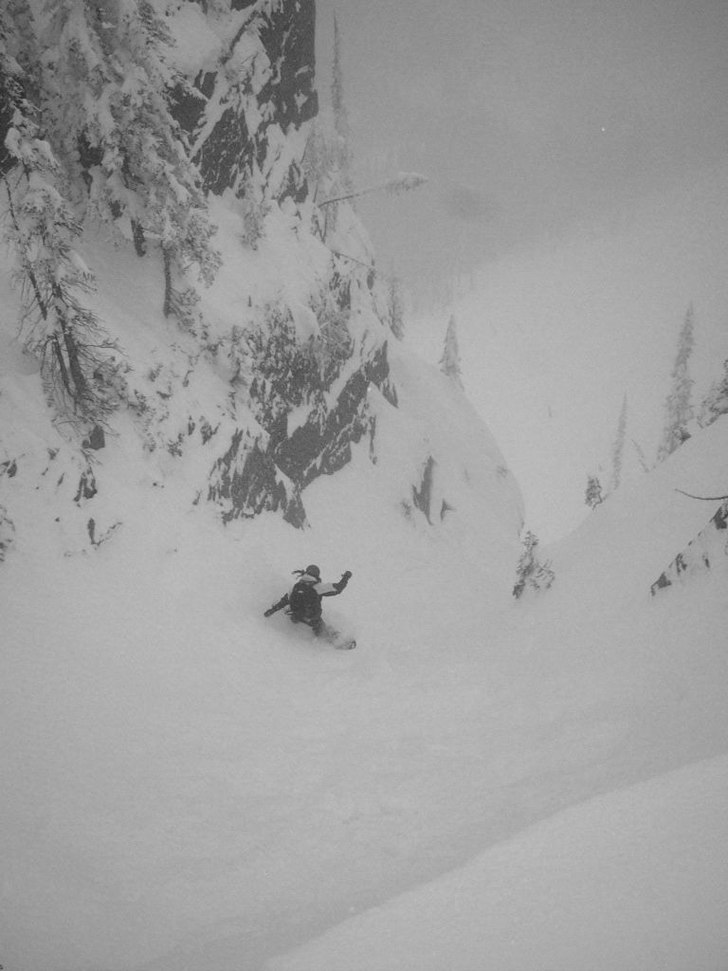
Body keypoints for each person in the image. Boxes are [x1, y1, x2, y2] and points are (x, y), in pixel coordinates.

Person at [264, 564, 352, 634]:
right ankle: (326, 635)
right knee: (319, 625)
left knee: (293, 609)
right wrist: (346, 578)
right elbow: (338, 589)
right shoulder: (318, 587)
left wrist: (272, 610)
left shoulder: (296, 586)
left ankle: (297, 621)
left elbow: (284, 601)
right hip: (311, 618)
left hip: (296, 615)